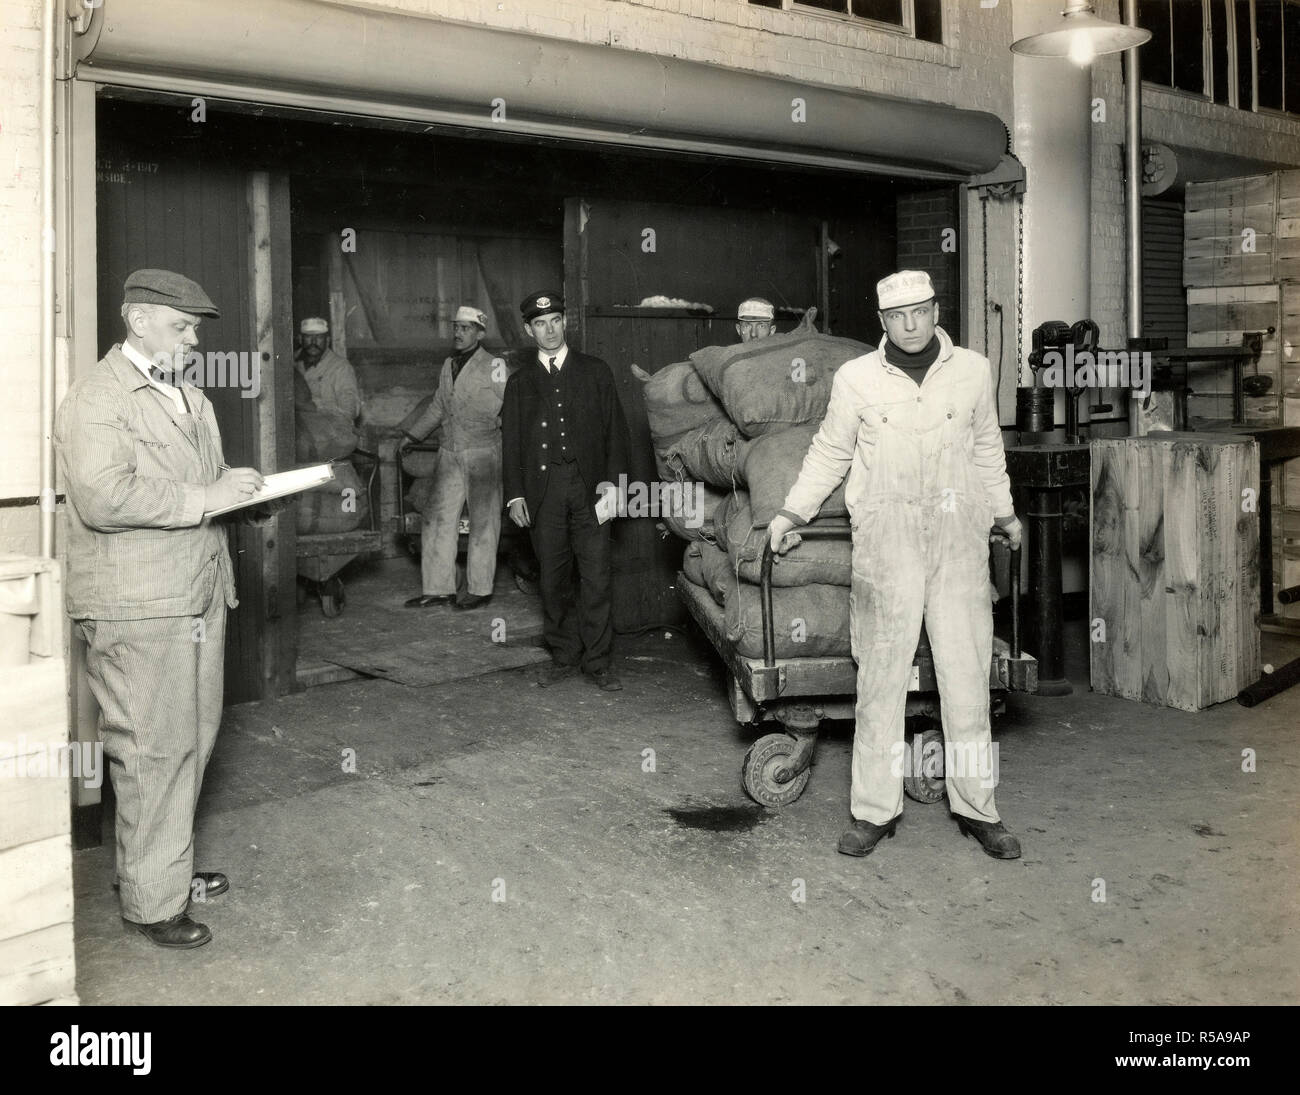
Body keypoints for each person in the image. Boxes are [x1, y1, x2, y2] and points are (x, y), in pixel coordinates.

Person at [767, 270, 1025, 861]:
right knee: (880, 682)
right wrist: (790, 513)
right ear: (880, 322)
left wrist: (1006, 517)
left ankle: (977, 809)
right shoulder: (856, 379)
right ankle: (873, 812)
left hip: (959, 542)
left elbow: (988, 449)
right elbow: (830, 451)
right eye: (896, 316)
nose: (910, 325)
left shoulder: (973, 372)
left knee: (965, 680)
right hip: (887, 544)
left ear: (937, 310)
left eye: (920, 312)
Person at [55, 269, 270, 948]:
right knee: (152, 748)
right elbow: (103, 497)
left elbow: (202, 490)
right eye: (182, 327)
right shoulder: (98, 397)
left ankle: (160, 869)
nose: (195, 339)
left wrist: (241, 495)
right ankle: (153, 901)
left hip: (194, 595)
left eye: (197, 329)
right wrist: (208, 497)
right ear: (138, 320)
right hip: (137, 602)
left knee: (189, 741)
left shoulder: (189, 398)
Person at [501, 290, 630, 692]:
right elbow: (512, 444)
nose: (549, 329)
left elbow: (617, 432)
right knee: (553, 578)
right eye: (540, 323)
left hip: (591, 488)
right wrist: (515, 494)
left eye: (555, 320)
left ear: (565, 322)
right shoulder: (520, 383)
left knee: (595, 576)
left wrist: (613, 481)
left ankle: (598, 662)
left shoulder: (595, 371)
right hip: (544, 491)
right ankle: (563, 655)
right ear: (528, 330)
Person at [401, 306, 507, 610]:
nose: (459, 333)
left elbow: (512, 403)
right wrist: (412, 436)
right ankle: (438, 588)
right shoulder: (448, 364)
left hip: (483, 452)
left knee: (483, 521)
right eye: (456, 327)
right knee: (436, 518)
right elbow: (437, 406)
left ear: (481, 333)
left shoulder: (495, 365)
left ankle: (480, 589)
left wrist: (508, 436)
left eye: (467, 328)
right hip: (449, 451)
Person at [296, 316, 362, 425]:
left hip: (334, 433)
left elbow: (349, 410)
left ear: (327, 340)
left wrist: (313, 406)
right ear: (300, 339)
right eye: (308, 337)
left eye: (319, 337)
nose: (313, 342)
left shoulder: (340, 367)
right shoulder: (291, 365)